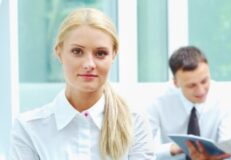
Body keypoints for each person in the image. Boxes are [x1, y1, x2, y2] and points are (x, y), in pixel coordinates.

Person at [9, 8, 155, 160]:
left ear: (113, 55)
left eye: (100, 53)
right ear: (59, 53)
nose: (89, 64)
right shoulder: (29, 128)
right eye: (77, 51)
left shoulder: (135, 122)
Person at [146, 46, 231, 160]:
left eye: (204, 81)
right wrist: (171, 149)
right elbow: (140, 148)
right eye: (192, 85)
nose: (201, 90)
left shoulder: (226, 100)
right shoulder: (159, 101)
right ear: (176, 83)